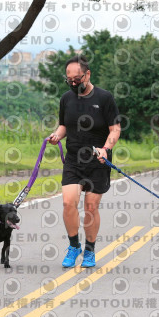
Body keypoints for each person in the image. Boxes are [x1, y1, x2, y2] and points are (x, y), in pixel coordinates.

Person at [48, 55, 121, 268]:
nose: (73, 84)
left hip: (98, 161)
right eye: (69, 80)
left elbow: (115, 129)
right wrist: (56, 136)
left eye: (77, 79)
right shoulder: (66, 99)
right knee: (68, 202)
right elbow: (64, 125)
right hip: (73, 159)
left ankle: (89, 250)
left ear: (87, 75)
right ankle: (73, 246)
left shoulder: (104, 98)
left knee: (90, 206)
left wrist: (106, 149)